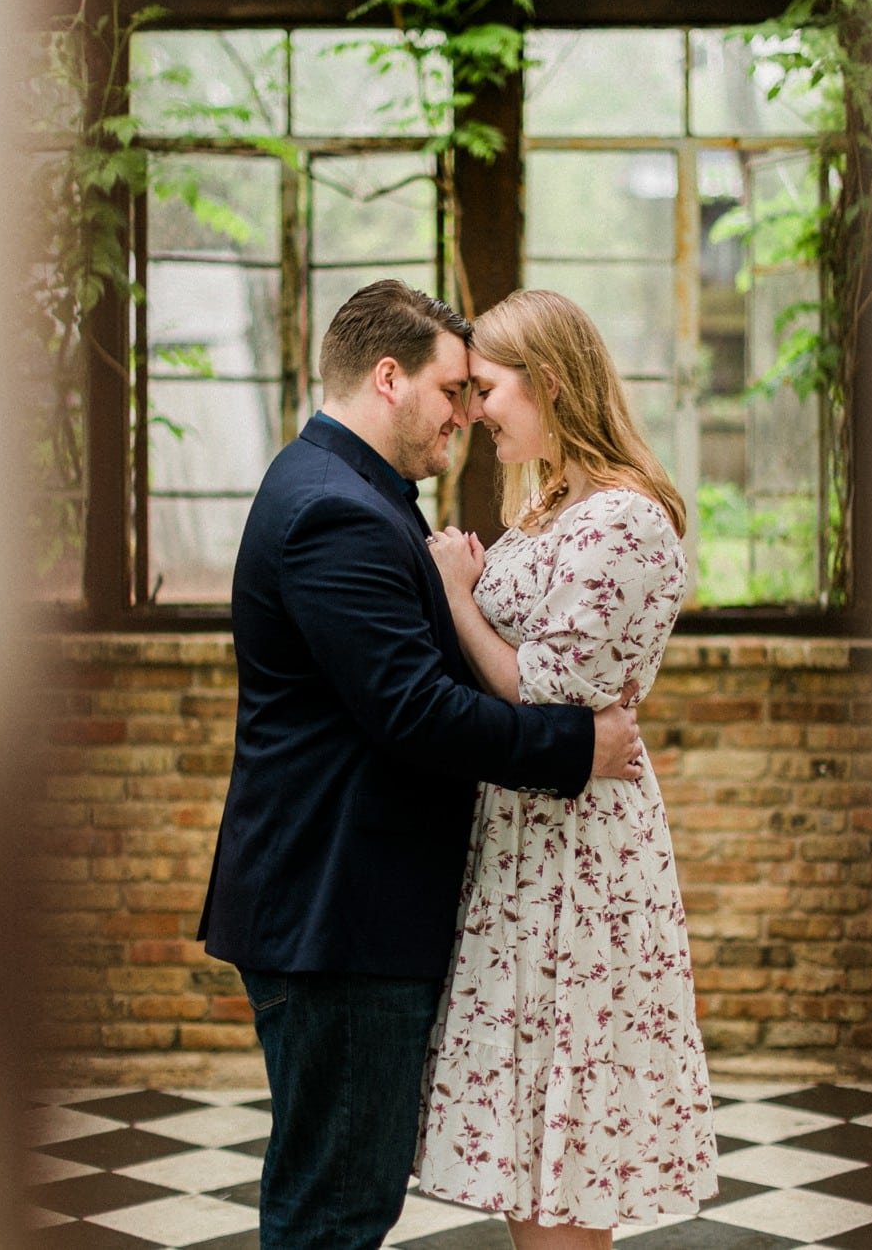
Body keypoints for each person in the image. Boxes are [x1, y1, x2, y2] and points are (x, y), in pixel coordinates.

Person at [196, 279, 648, 1250]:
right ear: (389, 377)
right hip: (338, 915)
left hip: (342, 911)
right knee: (335, 1210)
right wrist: (578, 744)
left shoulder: (346, 492)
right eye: (452, 391)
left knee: (337, 1197)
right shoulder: (335, 512)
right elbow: (411, 711)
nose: (466, 414)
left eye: (481, 391)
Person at [412, 288, 718, 1247]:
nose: (470, 413)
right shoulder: (554, 502)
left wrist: (460, 596)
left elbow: (545, 697)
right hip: (525, 844)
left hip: (579, 857)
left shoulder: (623, 521)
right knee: (530, 1149)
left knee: (568, 1150)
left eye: (487, 389)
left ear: (547, 383)